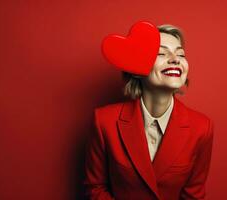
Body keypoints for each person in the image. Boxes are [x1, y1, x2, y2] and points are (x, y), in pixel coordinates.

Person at [84, 24, 214, 200]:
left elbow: (193, 194)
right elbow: (95, 188)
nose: (175, 59)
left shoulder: (202, 127)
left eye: (181, 54)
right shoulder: (104, 121)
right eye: (161, 53)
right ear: (136, 69)